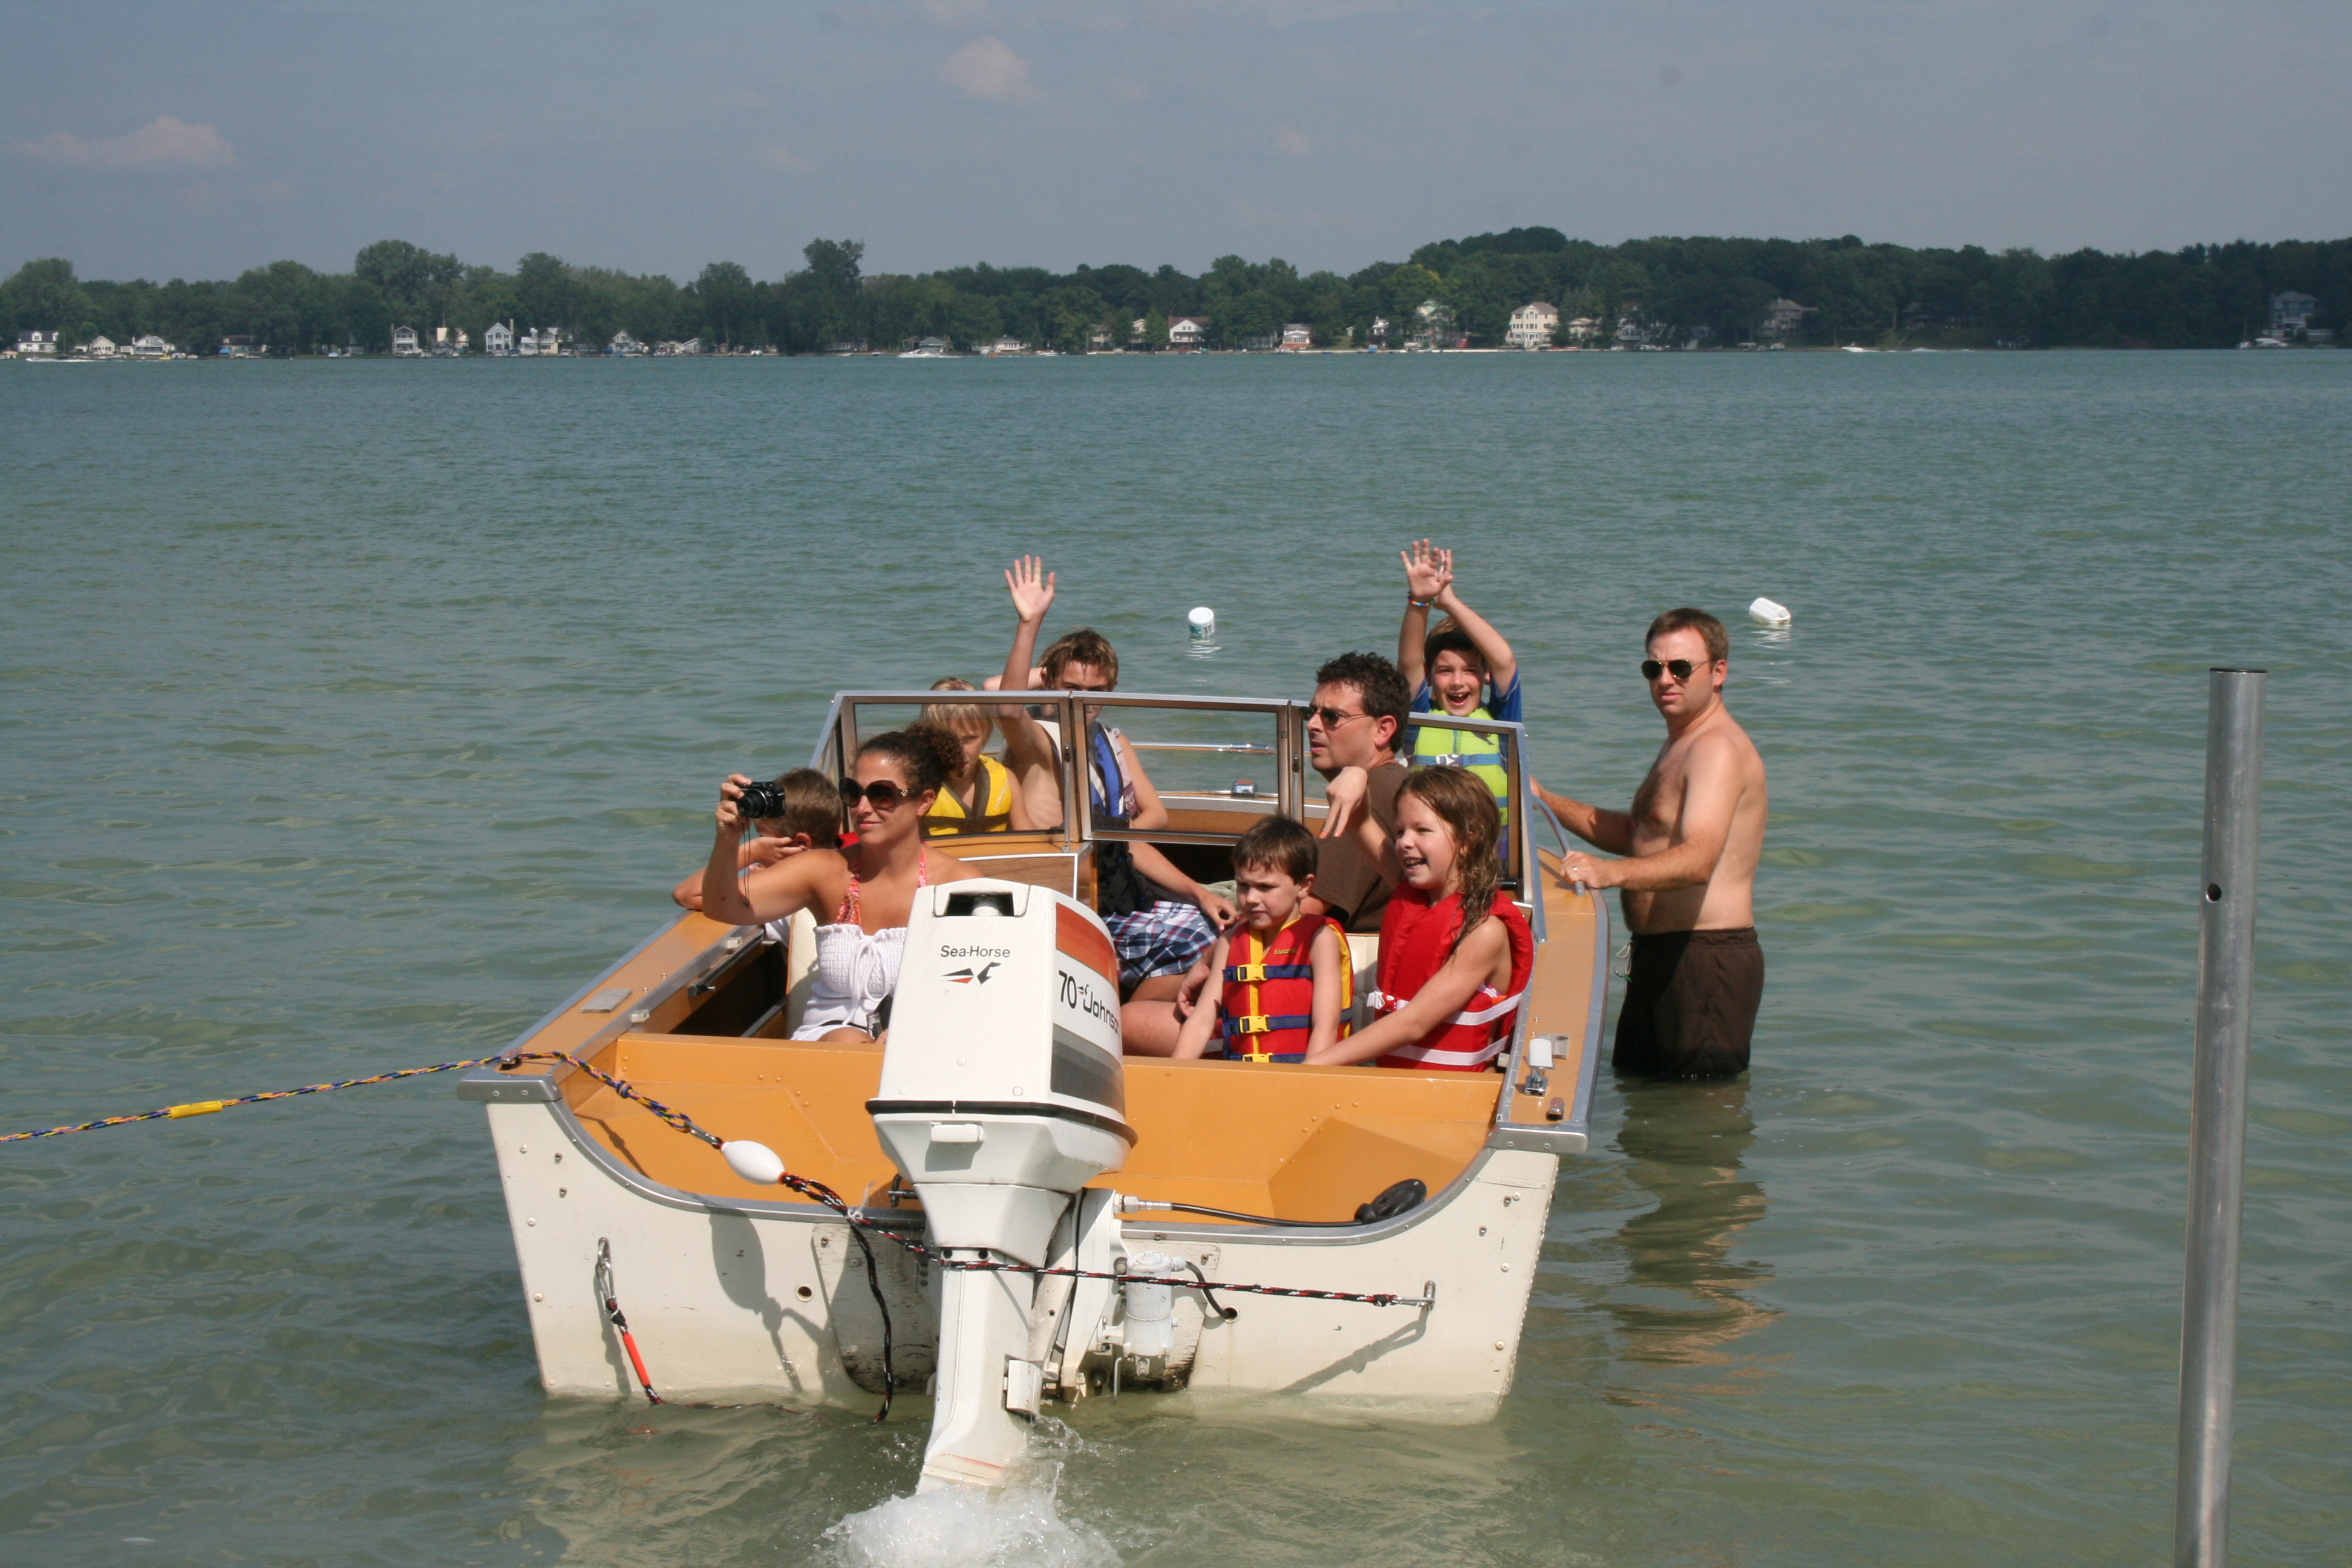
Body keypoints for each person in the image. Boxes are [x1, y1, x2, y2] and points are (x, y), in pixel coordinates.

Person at [991, 559, 1235, 1052]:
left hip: (1117, 893)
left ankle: (1121, 1023)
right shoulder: (1039, 741)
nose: (1082, 700)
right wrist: (1029, 623)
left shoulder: (1107, 740)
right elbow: (1006, 708)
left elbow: (1127, 843)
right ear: (1048, 684)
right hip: (1067, 897)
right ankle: (1119, 1032)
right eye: (1070, 689)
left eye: (1094, 691)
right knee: (1197, 938)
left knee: (1219, 923)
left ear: (1110, 692)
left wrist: (1198, 892)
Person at [1537, 608, 1768, 1079]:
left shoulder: (1716, 749)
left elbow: (1699, 860)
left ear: (1718, 672)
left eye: (1680, 668)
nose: (1665, 680)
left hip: (1704, 960)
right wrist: (1543, 799)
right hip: (1659, 957)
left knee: (1699, 1114)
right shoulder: (1682, 742)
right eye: (1653, 668)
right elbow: (1639, 836)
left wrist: (1607, 873)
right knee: (1642, 1105)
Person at [699, 725, 981, 1042]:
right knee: (847, 1039)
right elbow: (723, 907)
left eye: (882, 794)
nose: (862, 808)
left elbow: (980, 986)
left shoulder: (961, 886)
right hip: (827, 1042)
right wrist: (728, 839)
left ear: (923, 802)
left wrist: (911, 1032)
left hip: (922, 1042)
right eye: (853, 792)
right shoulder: (823, 870)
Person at [1306, 766, 1532, 1070]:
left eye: (1422, 830)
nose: (1404, 842)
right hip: (1397, 1082)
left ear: (1469, 839)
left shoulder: (1484, 930)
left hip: (1452, 1091)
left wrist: (1311, 1069)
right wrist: (1356, 773)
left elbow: (1414, 1024)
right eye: (1400, 831)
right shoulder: (1413, 892)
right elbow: (1360, 821)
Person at [1171, 817, 1351, 1063]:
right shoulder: (1230, 941)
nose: (1251, 898)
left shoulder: (1320, 940)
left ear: (1304, 886)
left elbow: (1326, 1026)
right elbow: (1202, 1020)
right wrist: (1175, 1072)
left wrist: (1307, 1082)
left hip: (1303, 1077)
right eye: (1243, 885)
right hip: (1244, 1077)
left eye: (1265, 887)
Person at [1396, 539, 1521, 822]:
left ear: (1486, 674)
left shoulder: (1503, 720)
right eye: (1445, 671)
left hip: (1492, 847)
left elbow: (1505, 661)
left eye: (1470, 670)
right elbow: (1408, 663)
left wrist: (1451, 603)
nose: (1457, 682)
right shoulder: (1419, 718)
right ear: (1428, 675)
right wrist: (1419, 602)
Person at [1302, 651, 1413, 933]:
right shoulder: (1397, 781)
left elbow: (1298, 914)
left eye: (1331, 716)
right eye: (1311, 712)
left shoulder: (1370, 795)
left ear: (1383, 730)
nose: (1312, 724)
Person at [670, 768, 841, 910]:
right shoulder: (841, 868)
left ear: (802, 844)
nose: (759, 844)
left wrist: (750, 850)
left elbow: (687, 894)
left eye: (763, 838)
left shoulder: (787, 888)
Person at [920, 678, 1035, 835]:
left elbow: (1029, 841)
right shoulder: (916, 784)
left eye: (970, 739)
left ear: (985, 734)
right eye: (947, 739)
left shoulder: (1006, 780)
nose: (959, 751)